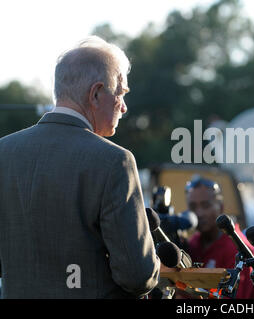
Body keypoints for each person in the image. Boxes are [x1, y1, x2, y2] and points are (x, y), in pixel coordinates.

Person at [0, 36, 160, 298]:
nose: (124, 106)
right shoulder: (114, 161)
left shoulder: (3, 152)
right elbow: (136, 276)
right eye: (120, 94)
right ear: (96, 94)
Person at [186, 176, 254, 299]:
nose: (199, 213)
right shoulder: (194, 242)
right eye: (193, 207)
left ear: (221, 207)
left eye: (206, 205)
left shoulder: (238, 249)